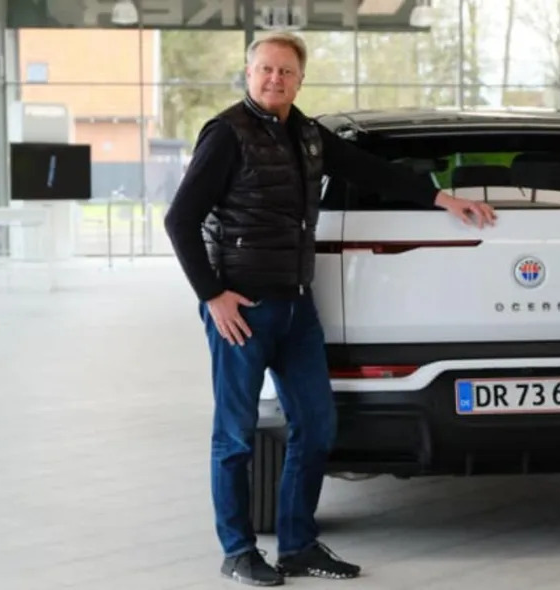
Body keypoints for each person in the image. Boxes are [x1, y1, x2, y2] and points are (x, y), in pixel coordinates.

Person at [164, 31, 496, 586]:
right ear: (248, 73)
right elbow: (180, 219)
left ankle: (297, 546)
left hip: (297, 307)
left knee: (317, 428)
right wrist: (212, 295)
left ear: (300, 79)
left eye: (286, 71)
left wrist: (442, 198)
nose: (275, 78)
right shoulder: (226, 134)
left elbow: (372, 171)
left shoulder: (309, 134)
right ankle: (238, 551)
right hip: (241, 310)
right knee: (236, 437)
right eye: (265, 69)